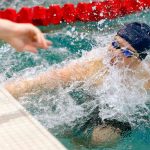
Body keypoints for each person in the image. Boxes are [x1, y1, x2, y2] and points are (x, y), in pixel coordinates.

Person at [3, 22, 150, 145]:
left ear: (140, 59)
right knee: (77, 130)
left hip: (124, 114)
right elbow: (38, 82)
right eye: (115, 45)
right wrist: (6, 93)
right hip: (91, 102)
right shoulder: (91, 67)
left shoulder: (146, 78)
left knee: (102, 139)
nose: (116, 54)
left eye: (127, 53)